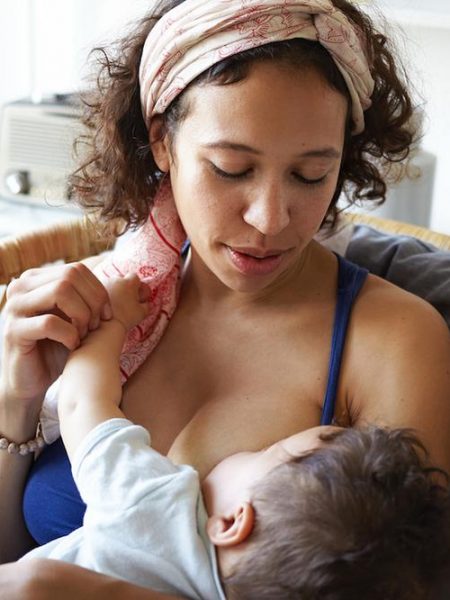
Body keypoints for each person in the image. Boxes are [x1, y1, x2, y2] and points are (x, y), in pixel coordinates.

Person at [1, 0, 450, 597]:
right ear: (162, 142)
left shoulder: (394, 342)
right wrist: (14, 405)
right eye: (231, 168)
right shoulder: (99, 294)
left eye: (311, 176)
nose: (270, 218)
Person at [20, 274, 450, 600]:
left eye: (269, 449)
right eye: (233, 169)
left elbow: (82, 403)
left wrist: (112, 326)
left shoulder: (158, 506)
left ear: (230, 522)